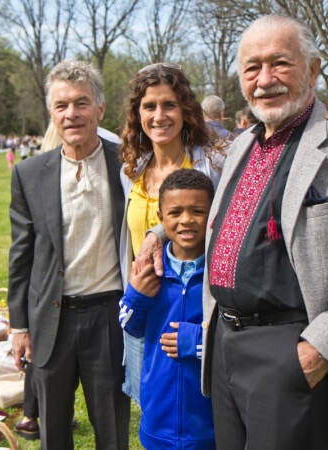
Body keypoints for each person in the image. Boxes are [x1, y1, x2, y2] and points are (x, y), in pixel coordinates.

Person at [135, 15, 328, 448]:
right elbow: (199, 212)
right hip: (223, 345)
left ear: (313, 69)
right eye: (251, 68)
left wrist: (316, 352)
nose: (264, 80)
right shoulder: (240, 143)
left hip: (291, 350)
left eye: (280, 63)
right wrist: (158, 233)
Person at [7, 59, 129, 450]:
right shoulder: (30, 174)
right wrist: (19, 325)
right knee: (54, 434)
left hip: (108, 317)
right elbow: (21, 255)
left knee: (111, 431)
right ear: (51, 113)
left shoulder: (127, 163)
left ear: (100, 109)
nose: (71, 114)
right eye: (61, 105)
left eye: (81, 103)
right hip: (51, 321)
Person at [119, 62, 225, 405]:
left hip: (196, 310)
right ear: (138, 113)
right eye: (149, 106)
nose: (159, 115)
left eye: (169, 105)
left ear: (185, 111)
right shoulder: (133, 169)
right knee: (151, 406)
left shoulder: (211, 164)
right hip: (147, 305)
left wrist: (158, 232)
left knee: (202, 409)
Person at [119, 168, 215, 449]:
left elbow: (236, 337)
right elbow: (129, 325)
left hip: (210, 425)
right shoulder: (148, 272)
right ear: (161, 219)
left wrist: (199, 342)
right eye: (175, 213)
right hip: (158, 421)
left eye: (198, 211)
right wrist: (136, 296)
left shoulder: (219, 275)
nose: (186, 220)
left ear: (213, 215)